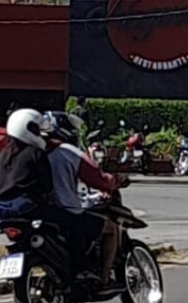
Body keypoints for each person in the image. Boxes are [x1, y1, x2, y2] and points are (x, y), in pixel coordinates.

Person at [43, 113, 127, 292]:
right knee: (111, 229)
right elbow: (97, 178)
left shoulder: (34, 151)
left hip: (42, 213)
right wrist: (116, 181)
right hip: (68, 212)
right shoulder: (68, 152)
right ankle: (104, 279)